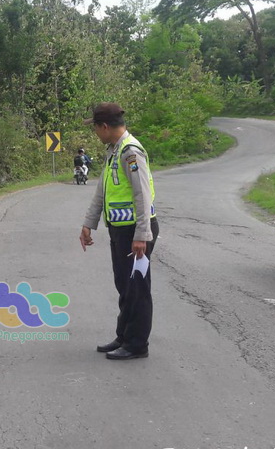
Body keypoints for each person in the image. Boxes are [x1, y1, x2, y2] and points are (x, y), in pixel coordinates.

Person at [78, 102, 159, 360]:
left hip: (135, 231)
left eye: (95, 128)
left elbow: (142, 194)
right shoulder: (114, 151)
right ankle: (124, 336)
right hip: (120, 231)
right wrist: (89, 223)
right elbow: (102, 191)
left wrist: (141, 235)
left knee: (137, 288)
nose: (95, 134)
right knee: (124, 285)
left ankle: (137, 344)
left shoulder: (131, 152)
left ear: (104, 126)